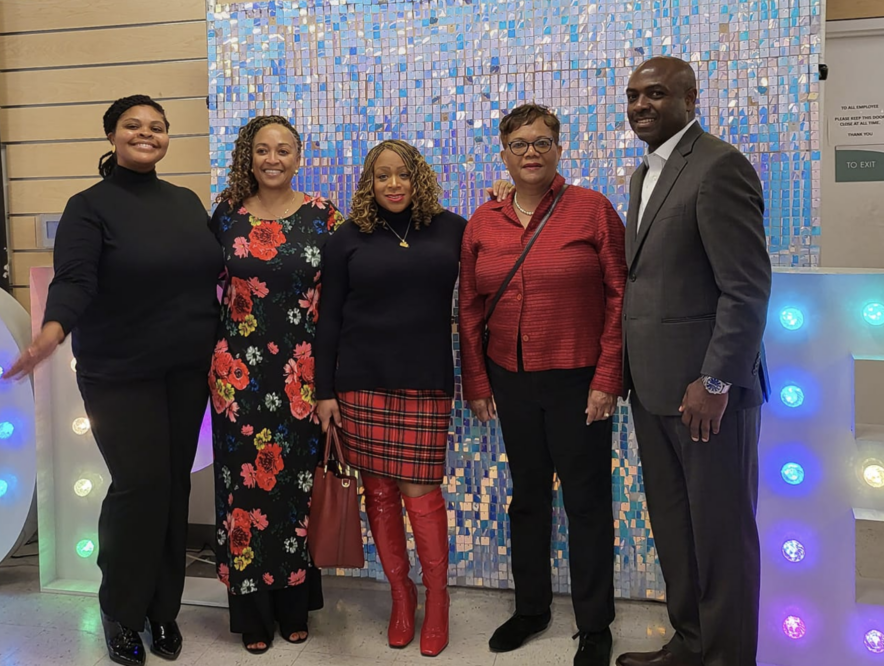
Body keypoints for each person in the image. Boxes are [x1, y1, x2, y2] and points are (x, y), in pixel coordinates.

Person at [4, 95, 223, 666]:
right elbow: (76, 281)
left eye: (157, 127)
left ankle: (162, 610)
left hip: (186, 367)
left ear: (167, 138)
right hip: (119, 371)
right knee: (140, 484)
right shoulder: (89, 206)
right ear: (111, 135)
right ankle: (121, 610)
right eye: (133, 126)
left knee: (174, 484)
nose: (145, 134)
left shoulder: (185, 201)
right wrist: (51, 331)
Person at [616, 57, 771, 666]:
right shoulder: (643, 175)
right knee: (677, 534)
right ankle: (690, 643)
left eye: (655, 93)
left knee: (722, 540)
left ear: (689, 98)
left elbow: (747, 287)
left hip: (708, 397)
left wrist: (715, 379)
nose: (640, 105)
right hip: (653, 392)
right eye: (632, 96)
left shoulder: (719, 165)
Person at [458, 103, 625, 666]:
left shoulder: (593, 211)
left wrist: (608, 377)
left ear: (559, 148)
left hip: (579, 378)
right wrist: (477, 379)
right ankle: (531, 608)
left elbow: (620, 297)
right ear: (503, 154)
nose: (530, 152)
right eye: (519, 144)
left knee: (586, 501)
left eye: (541, 142)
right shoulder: (483, 222)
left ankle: (595, 623)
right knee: (527, 497)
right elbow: (470, 307)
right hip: (510, 378)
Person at [314, 139, 466, 657]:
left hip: (425, 380)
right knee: (378, 493)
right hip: (360, 381)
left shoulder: (453, 227)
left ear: (418, 177)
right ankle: (401, 597)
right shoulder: (348, 237)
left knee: (421, 493)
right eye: (382, 176)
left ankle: (437, 599)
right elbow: (328, 317)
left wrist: (506, 196)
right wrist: (324, 391)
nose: (393, 184)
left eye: (402, 174)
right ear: (369, 183)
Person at [208, 115, 344, 654]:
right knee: (243, 493)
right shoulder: (225, 216)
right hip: (236, 376)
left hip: (301, 377)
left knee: (293, 493)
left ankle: (294, 605)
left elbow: (338, 302)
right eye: (262, 149)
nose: (273, 159)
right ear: (249, 155)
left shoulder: (324, 218)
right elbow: (196, 288)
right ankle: (252, 616)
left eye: (283, 149)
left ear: (298, 155)